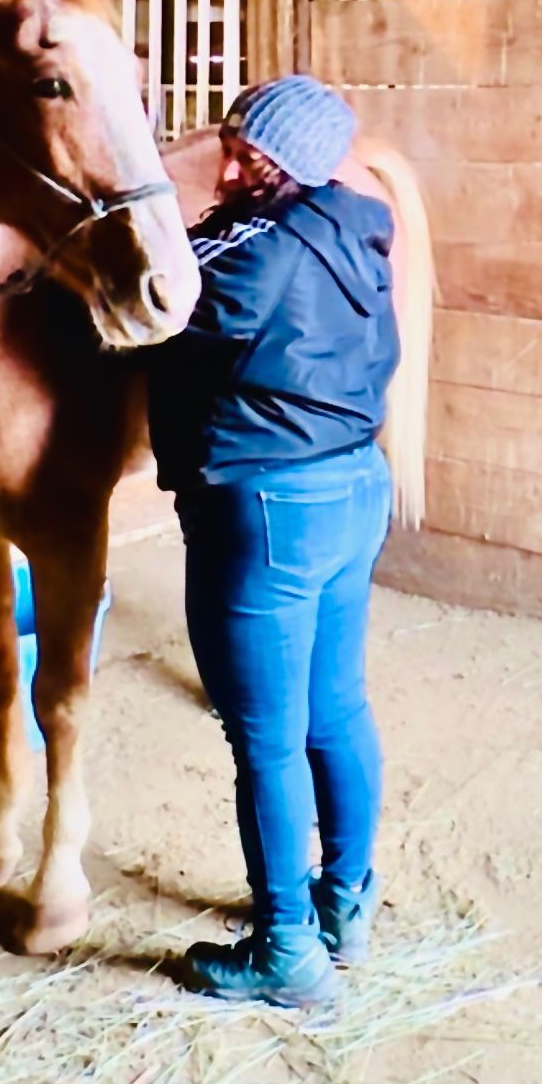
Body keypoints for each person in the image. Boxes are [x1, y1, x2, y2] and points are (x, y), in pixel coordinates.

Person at [148, 75, 400, 1006]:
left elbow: (157, 303)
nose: (227, 166)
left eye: (246, 154)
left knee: (264, 740)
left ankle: (284, 953)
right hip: (354, 490)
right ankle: (346, 905)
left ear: (282, 164)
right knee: (335, 710)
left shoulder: (249, 247)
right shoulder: (361, 224)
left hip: (265, 509)